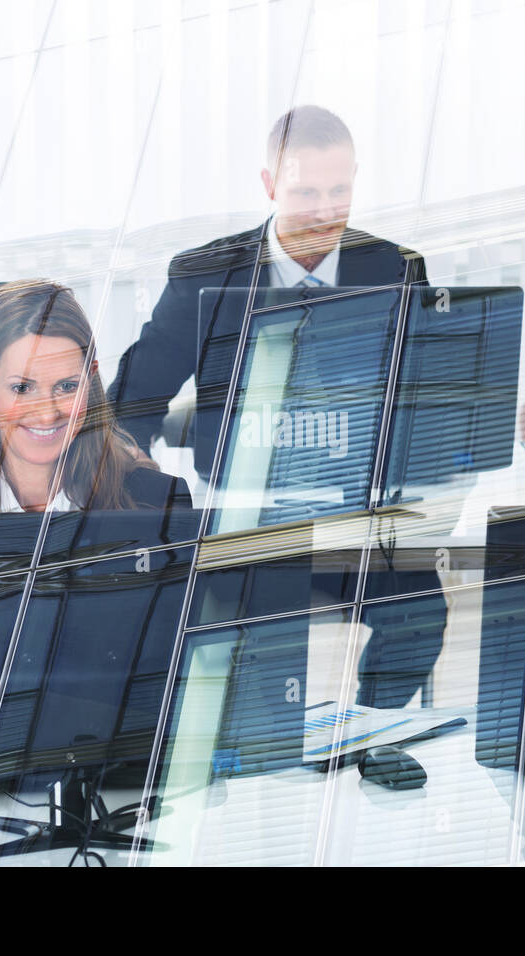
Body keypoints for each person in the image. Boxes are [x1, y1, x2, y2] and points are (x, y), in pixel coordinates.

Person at [109, 105, 437, 709]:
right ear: (269, 186)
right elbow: (137, 392)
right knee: (267, 656)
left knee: (420, 616)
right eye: (304, 191)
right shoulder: (205, 274)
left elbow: (424, 391)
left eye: (340, 191)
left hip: (352, 504)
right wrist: (131, 466)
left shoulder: (395, 267)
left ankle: (369, 734)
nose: (323, 212)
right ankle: (270, 758)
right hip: (249, 510)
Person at [0, 279, 190, 514]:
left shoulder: (159, 500)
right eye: (22, 388)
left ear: (90, 380)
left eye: (67, 386)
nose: (47, 414)